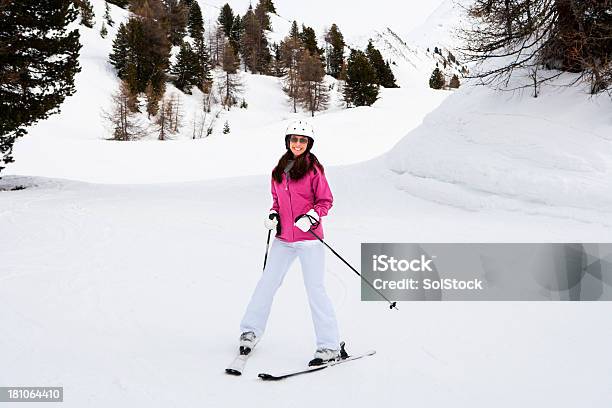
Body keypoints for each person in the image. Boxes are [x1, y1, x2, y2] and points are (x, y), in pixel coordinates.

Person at [238, 119, 341, 366]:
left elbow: (325, 201)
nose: (297, 144)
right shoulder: (279, 170)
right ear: (288, 142)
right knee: (267, 283)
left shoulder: (314, 170)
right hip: (283, 239)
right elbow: (277, 200)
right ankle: (250, 331)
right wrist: (274, 215)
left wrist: (312, 217)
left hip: (309, 240)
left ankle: (329, 346)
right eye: (294, 139)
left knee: (315, 290)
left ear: (309, 144)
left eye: (302, 140)